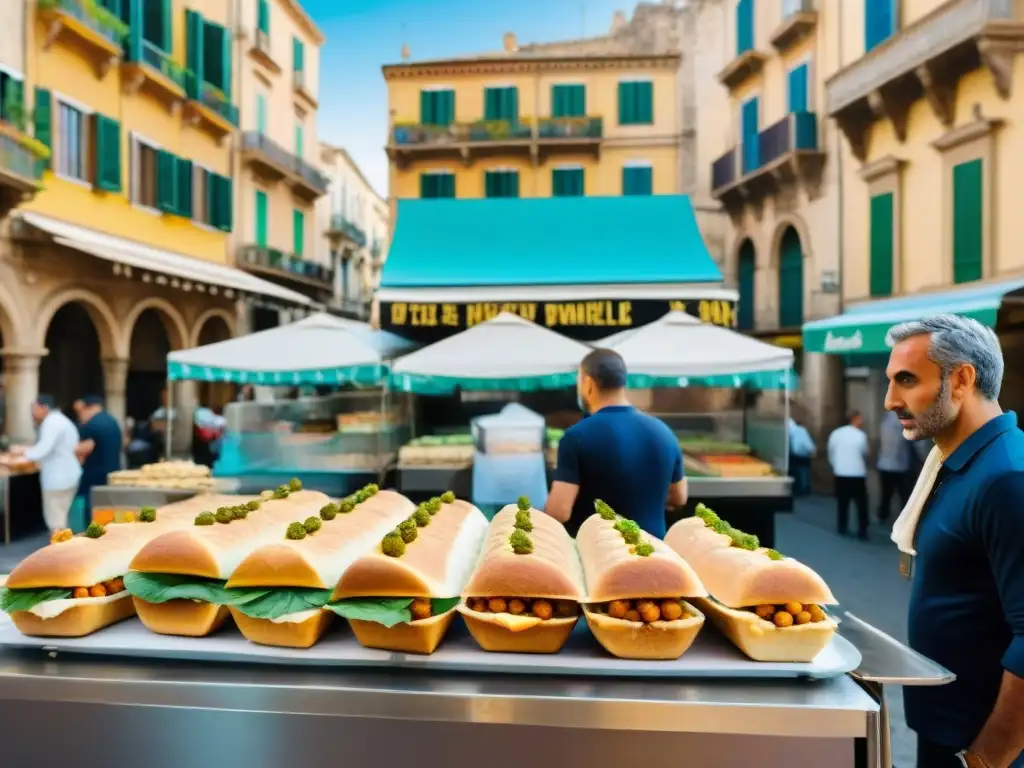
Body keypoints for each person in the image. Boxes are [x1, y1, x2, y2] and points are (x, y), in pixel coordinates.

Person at [886, 315, 1024, 768]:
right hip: (948, 736)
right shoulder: (960, 463)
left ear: (961, 379)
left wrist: (986, 758)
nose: (890, 400)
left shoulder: (1007, 478)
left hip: (981, 749)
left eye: (906, 380)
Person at [544, 348, 686, 538]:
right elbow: (679, 497)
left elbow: (559, 512)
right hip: (654, 554)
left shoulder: (576, 436)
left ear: (587, 384)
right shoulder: (664, 432)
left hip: (599, 555)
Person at [7, 396, 82, 532]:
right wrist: (24, 451)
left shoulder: (51, 423)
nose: (33, 413)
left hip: (58, 477)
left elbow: (42, 449)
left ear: (44, 408)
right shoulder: (60, 420)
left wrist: (17, 457)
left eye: (34, 409)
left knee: (56, 521)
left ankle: (58, 551)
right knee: (60, 517)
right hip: (66, 474)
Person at [74, 395, 123, 529]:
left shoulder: (93, 424)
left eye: (80, 411)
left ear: (88, 408)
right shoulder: (112, 421)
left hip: (94, 476)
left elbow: (85, 448)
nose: (79, 415)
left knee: (93, 512)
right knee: (108, 511)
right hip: (112, 473)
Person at [826, 411, 869, 540]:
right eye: (860, 419)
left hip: (841, 472)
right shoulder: (861, 435)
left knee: (842, 502)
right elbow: (865, 452)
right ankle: (862, 530)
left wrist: (836, 465)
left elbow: (831, 452)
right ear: (855, 419)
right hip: (857, 473)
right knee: (861, 504)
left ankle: (842, 527)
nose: (862, 421)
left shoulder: (835, 434)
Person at [876, 409, 911, 522]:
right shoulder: (904, 419)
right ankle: (904, 519)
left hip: (884, 464)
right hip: (899, 466)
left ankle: (883, 515)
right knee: (903, 494)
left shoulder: (885, 419)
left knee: (886, 494)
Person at [788, 416, 816, 495]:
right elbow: (807, 444)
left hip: (791, 454)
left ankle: (795, 488)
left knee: (793, 471)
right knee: (804, 471)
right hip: (802, 454)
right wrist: (812, 451)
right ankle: (803, 489)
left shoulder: (787, 430)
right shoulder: (800, 430)